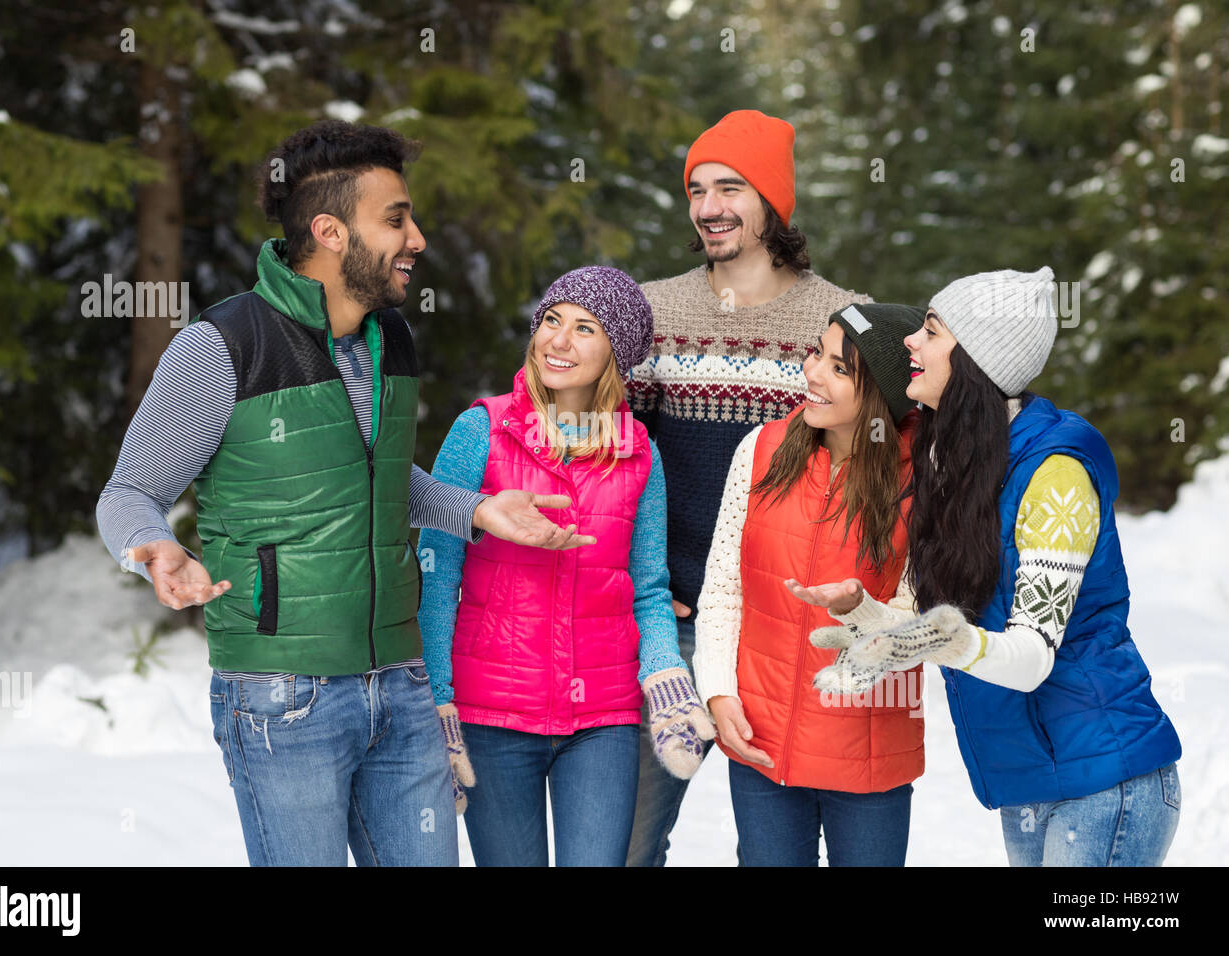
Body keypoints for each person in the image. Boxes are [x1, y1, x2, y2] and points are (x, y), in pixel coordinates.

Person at [96, 120, 596, 867]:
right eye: (395, 218)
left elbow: (380, 479)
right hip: (280, 695)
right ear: (330, 231)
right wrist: (155, 548)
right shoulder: (224, 345)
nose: (416, 237)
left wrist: (476, 510)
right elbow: (130, 490)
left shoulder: (389, 339)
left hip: (398, 684)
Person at [792, 267, 1182, 866]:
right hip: (1029, 777)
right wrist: (871, 617)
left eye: (931, 330)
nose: (909, 343)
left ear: (974, 359)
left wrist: (931, 639)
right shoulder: (956, 460)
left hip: (1108, 781)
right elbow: (949, 621)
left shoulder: (1055, 475)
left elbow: (1029, 659)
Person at [624, 108, 873, 865]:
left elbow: (871, 471)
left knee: (780, 849)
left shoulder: (840, 321)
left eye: (730, 187)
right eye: (696, 188)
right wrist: (633, 577)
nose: (708, 207)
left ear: (773, 202)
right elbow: (616, 463)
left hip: (786, 630)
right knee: (626, 843)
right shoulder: (652, 311)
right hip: (675, 623)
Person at [418, 266, 715, 866]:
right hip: (491, 715)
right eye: (552, 321)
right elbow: (436, 575)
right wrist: (438, 701)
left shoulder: (638, 455)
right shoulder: (482, 431)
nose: (559, 340)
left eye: (585, 328)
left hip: (602, 720)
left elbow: (649, 590)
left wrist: (665, 676)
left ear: (617, 351)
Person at [694, 303, 925, 866]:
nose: (813, 373)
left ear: (881, 396)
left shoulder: (924, 478)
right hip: (762, 746)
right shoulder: (761, 450)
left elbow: (925, 623)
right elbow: (724, 588)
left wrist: (861, 609)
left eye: (840, 368)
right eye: (817, 352)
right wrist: (719, 691)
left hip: (868, 755)